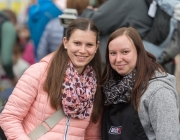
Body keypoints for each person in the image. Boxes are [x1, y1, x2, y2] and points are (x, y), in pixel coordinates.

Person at [0, 18, 103, 140]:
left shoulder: (95, 85)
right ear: (65, 42)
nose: (82, 50)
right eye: (77, 43)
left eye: (89, 45)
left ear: (97, 47)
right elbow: (10, 117)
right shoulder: (39, 72)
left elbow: (92, 135)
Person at [101, 27, 180, 140]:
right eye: (113, 53)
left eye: (125, 52)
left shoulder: (159, 91)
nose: (118, 59)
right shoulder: (108, 88)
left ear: (139, 52)